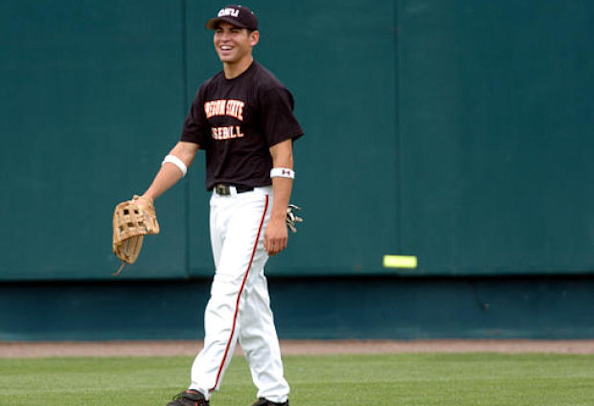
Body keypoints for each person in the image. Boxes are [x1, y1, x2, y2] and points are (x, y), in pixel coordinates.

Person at [135, 4, 303, 406]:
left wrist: (277, 216)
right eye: (219, 31)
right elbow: (184, 152)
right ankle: (275, 395)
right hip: (221, 205)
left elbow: (284, 158)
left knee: (227, 293)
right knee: (251, 301)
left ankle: (200, 390)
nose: (224, 38)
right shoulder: (209, 90)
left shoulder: (268, 89)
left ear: (253, 38)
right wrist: (148, 196)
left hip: (256, 203)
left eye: (235, 31)